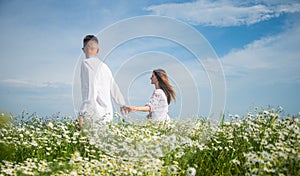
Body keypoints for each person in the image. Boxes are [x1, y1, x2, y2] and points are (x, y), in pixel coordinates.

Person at [78, 35, 125, 129]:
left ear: (83, 49)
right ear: (97, 50)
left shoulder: (86, 63)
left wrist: (82, 113)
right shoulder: (104, 66)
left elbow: (89, 89)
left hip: (94, 114)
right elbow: (114, 88)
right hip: (108, 115)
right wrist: (122, 104)